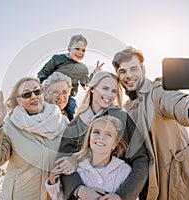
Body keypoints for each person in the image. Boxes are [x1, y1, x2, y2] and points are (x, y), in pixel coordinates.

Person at [112, 46, 189, 200]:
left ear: (143, 70)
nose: (129, 75)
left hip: (175, 186)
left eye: (134, 69)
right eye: (123, 71)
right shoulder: (126, 107)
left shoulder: (157, 91)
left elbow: (181, 105)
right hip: (144, 189)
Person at [56, 71, 149, 200]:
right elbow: (63, 159)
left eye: (113, 91)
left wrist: (122, 196)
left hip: (114, 191)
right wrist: (79, 189)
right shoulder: (76, 124)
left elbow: (141, 159)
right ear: (93, 89)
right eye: (105, 88)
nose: (109, 95)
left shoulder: (122, 118)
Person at [0, 77, 69, 199]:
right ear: (19, 100)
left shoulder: (62, 122)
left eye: (37, 91)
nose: (33, 96)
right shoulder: (11, 125)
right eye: (26, 94)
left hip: (52, 195)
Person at [46, 115, 136, 200]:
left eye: (108, 134)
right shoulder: (77, 167)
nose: (101, 137)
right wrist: (53, 183)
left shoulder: (124, 170)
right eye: (96, 132)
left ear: (115, 143)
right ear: (89, 138)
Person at [37, 34, 104, 120]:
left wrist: (95, 73)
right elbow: (44, 71)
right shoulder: (57, 59)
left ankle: (71, 126)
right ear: (69, 49)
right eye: (77, 49)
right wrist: (43, 80)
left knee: (72, 107)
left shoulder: (82, 69)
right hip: (51, 91)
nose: (80, 52)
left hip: (67, 96)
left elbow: (86, 84)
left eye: (83, 50)